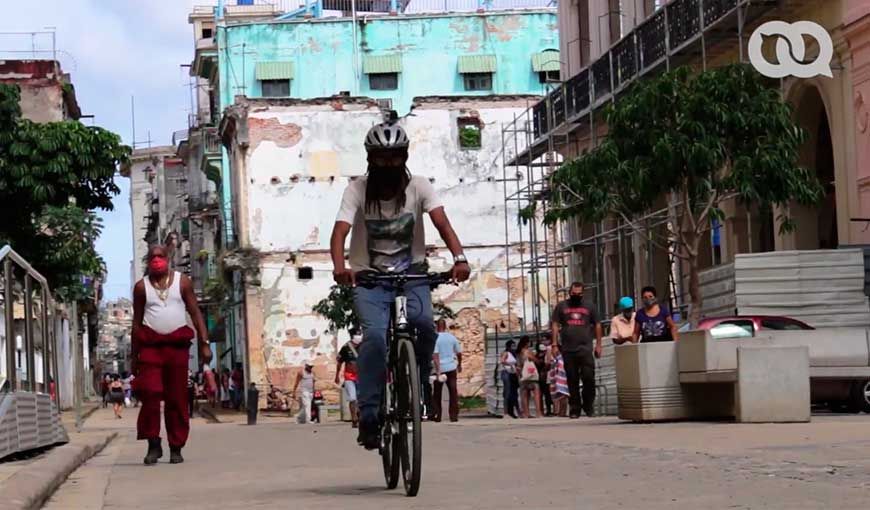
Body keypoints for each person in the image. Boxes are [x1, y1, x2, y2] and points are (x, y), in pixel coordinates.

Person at [329, 114, 470, 449]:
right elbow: (339, 233)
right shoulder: (357, 190)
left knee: (425, 324)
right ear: (370, 159)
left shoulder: (419, 186)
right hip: (370, 280)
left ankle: (418, 380)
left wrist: (459, 258)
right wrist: (339, 266)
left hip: (413, 276)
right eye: (381, 158)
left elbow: (442, 223)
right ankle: (368, 414)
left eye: (394, 157)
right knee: (375, 340)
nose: (388, 163)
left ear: (404, 157)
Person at [132, 245, 212, 465]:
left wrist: (205, 344)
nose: (156, 260)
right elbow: (136, 324)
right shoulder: (141, 288)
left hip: (177, 347)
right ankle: (153, 444)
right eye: (152, 257)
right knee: (150, 393)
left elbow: (195, 312)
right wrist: (133, 358)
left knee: (177, 398)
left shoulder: (182, 282)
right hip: (150, 347)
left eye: (160, 256)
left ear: (168, 259)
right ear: (148, 261)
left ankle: (176, 446)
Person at [551, 282, 603, 418]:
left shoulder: (590, 306)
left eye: (579, 294)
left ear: (583, 293)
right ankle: (575, 408)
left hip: (585, 348)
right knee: (572, 380)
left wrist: (598, 344)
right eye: (574, 294)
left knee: (588, 377)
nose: (576, 296)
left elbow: (597, 324)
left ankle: (588, 404)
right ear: (569, 292)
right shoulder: (561, 306)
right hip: (568, 349)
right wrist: (554, 344)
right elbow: (555, 325)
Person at [431, 319, 462, 423]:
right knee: (453, 392)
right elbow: (459, 352)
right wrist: (459, 364)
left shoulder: (435, 338)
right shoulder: (451, 337)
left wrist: (438, 370)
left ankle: (438, 415)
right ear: (445, 326)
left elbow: (435, 355)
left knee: (437, 393)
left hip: (440, 369)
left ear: (436, 326)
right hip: (451, 367)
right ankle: (453, 416)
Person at [335, 329, 362, 427]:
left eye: (360, 334)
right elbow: (339, 362)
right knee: (352, 398)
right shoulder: (346, 348)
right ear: (352, 336)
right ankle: (354, 419)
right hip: (349, 377)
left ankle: (359, 415)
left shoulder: (363, 346)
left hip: (362, 377)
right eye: (357, 334)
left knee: (360, 398)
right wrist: (337, 375)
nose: (359, 336)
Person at [516, 336, 543, 418]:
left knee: (524, 395)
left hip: (523, 376)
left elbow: (518, 365)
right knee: (536, 394)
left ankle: (526, 413)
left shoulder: (518, 353)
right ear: (526, 343)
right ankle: (538, 412)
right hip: (531, 376)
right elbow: (536, 361)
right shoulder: (527, 352)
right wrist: (539, 360)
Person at [547, 344, 569, 417]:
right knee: (560, 397)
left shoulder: (561, 358)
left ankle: (563, 412)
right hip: (557, 380)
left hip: (562, 380)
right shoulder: (556, 359)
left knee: (563, 397)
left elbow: (562, 369)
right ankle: (561, 411)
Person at [500, 340, 520, 419]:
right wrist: (510, 364)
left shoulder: (514, 354)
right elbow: (502, 361)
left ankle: (513, 411)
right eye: (512, 346)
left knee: (513, 393)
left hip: (513, 374)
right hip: (506, 373)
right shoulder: (506, 353)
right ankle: (506, 412)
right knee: (507, 392)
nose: (514, 348)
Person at [535, 341, 553, 416]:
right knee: (545, 394)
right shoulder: (538, 355)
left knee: (545, 394)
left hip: (541, 376)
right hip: (542, 376)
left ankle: (546, 410)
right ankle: (545, 410)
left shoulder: (538, 355)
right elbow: (547, 365)